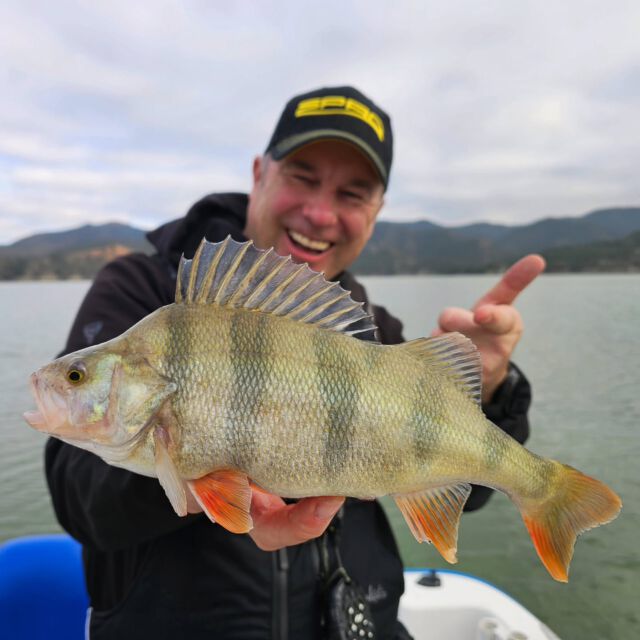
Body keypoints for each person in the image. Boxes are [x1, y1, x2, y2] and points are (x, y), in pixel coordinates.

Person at [45, 86, 544, 639]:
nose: (319, 212)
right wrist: (186, 469)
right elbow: (76, 496)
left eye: (353, 193)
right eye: (303, 177)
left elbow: (469, 489)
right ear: (260, 174)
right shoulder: (143, 294)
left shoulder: (376, 334)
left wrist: (492, 389)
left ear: (376, 213)